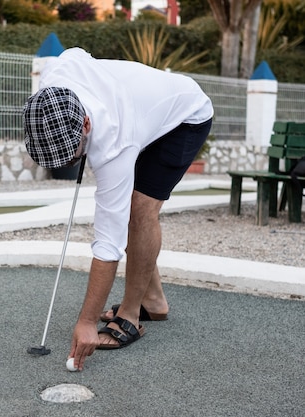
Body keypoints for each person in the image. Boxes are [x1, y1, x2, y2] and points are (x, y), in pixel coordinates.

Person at [23, 47, 214, 371]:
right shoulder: (50, 88)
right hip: (138, 114)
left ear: (85, 124)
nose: (70, 163)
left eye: (72, 155)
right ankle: (154, 302)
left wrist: (86, 321)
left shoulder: (114, 144)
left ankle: (130, 314)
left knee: (139, 210)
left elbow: (108, 245)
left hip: (185, 117)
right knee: (130, 207)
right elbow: (75, 53)